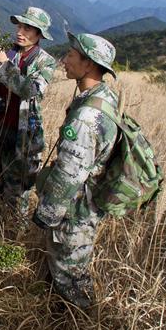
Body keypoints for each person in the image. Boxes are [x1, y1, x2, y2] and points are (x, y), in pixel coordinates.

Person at [32, 32, 119, 308]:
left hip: (75, 210)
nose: (65, 59)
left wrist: (46, 214)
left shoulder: (85, 118)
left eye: (71, 55)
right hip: (87, 202)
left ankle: (81, 328)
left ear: (89, 64)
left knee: (70, 276)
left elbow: (69, 174)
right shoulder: (103, 97)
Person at [0, 7, 56, 221]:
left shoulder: (45, 62)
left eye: (27, 28)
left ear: (39, 35)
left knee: (17, 196)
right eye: (19, 26)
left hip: (21, 140)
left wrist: (4, 65)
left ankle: (13, 237)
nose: (20, 31)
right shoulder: (6, 51)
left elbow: (30, 91)